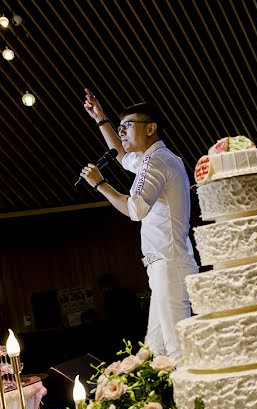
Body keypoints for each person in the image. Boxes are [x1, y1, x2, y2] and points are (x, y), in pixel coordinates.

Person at [80, 88, 198, 362]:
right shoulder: (156, 158)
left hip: (169, 263)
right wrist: (101, 119)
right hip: (164, 262)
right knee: (156, 349)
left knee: (176, 349)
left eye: (127, 126)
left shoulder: (156, 161)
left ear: (151, 128)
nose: (121, 132)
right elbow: (122, 156)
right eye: (120, 127)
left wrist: (100, 184)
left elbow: (135, 209)